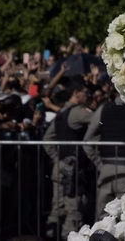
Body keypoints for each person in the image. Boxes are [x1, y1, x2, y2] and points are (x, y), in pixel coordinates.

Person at [84, 83, 125, 221]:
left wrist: (99, 162)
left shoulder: (103, 110)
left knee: (103, 218)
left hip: (106, 169)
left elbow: (87, 140)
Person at [43, 82, 95, 238]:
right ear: (76, 94)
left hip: (61, 166)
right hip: (73, 169)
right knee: (74, 208)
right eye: (86, 93)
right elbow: (101, 121)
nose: (89, 96)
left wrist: (57, 158)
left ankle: (51, 235)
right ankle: (68, 236)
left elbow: (47, 138)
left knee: (57, 207)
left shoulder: (62, 112)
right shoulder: (80, 112)